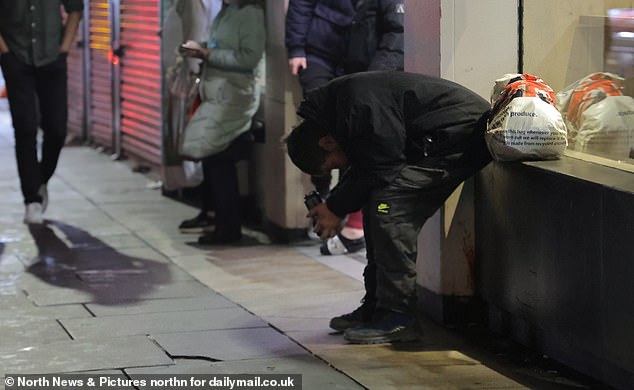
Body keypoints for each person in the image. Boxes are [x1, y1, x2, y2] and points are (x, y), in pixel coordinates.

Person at [285, 71, 492, 344]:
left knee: (388, 208)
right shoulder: (342, 112)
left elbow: (383, 165)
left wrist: (335, 206)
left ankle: (398, 316)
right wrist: (336, 206)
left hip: (458, 139)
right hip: (436, 143)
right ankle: (377, 306)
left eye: (333, 164)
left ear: (326, 142)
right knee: (378, 205)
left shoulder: (358, 107)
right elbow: (371, 165)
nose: (339, 167)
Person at [285, 0, 404, 255]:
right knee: (318, 136)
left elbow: (397, 30)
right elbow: (301, 4)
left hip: (366, 61)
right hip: (323, 53)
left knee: (361, 141)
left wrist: (373, 81)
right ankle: (327, 202)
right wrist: (296, 47)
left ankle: (354, 220)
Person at [179, 0, 265, 245]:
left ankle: (227, 228)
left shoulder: (251, 15)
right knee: (213, 158)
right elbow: (222, 46)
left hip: (234, 98)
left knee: (218, 159)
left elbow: (249, 57)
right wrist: (201, 49)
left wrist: (208, 54)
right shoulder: (228, 12)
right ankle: (221, 223)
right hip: (218, 95)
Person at [0, 0, 83, 224]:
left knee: (56, 128)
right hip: (16, 57)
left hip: (53, 58)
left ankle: (40, 180)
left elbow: (76, 8)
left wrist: (64, 48)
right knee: (25, 127)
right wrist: (5, 51)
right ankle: (32, 199)